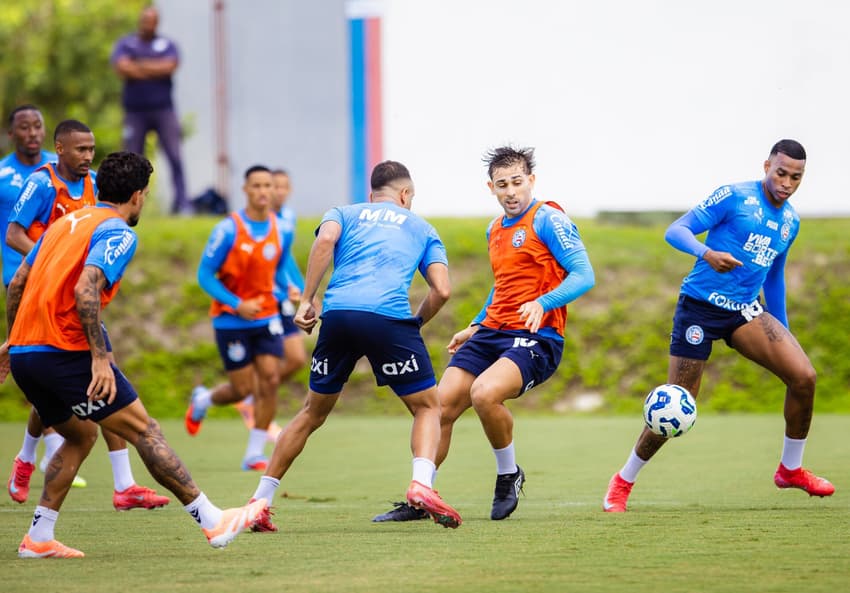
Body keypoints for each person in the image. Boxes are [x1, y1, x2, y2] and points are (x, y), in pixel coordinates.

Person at [0, 151, 265, 558]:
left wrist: (11, 340)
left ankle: (38, 537)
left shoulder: (61, 225)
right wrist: (100, 357)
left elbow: (19, 280)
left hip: (28, 353)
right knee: (145, 430)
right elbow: (86, 289)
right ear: (138, 196)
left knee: (80, 434)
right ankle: (213, 521)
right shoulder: (117, 231)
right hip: (63, 350)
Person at [602, 139, 834, 513]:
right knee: (678, 403)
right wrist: (706, 253)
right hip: (699, 308)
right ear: (766, 166)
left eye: (796, 177)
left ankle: (790, 469)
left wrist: (783, 329)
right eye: (781, 173)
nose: (787, 183)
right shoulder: (733, 197)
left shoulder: (790, 220)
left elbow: (774, 277)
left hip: (744, 312)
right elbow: (676, 230)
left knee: (804, 377)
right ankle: (623, 481)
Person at [373, 145, 595, 522]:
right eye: (502, 184)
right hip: (493, 330)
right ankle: (420, 496)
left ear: (532, 181)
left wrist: (544, 302)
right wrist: (475, 325)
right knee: (439, 405)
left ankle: (508, 474)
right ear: (490, 187)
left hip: (537, 335)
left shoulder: (548, 219)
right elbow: (502, 286)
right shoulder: (494, 228)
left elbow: (584, 274)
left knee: (485, 394)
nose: (511, 191)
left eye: (517, 182)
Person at [246, 160, 462, 531]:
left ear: (372, 195)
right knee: (428, 406)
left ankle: (259, 502)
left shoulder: (343, 213)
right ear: (405, 195)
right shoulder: (423, 228)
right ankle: (421, 485)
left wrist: (307, 300)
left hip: (339, 316)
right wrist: (414, 324)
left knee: (312, 412)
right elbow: (442, 290)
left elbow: (325, 240)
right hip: (389, 320)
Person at [5, 119, 169, 511]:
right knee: (62, 381)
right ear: (59, 149)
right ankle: (27, 458)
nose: (87, 157)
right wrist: (54, 262)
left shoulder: (98, 186)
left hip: (77, 294)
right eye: (80, 150)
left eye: (92, 150)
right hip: (41, 289)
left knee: (104, 378)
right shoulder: (42, 183)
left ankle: (123, 484)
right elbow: (13, 234)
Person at [184, 166, 291, 471]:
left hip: (267, 316)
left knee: (270, 379)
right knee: (242, 389)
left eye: (267, 185)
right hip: (231, 321)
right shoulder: (227, 229)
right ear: (245, 190)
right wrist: (236, 303)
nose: (262, 191)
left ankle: (254, 454)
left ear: (274, 190)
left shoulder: (280, 228)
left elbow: (279, 268)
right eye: (256, 185)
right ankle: (203, 400)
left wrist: (293, 289)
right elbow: (205, 275)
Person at [232, 168, 307, 441]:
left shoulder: (287, 218)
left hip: (285, 295)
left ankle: (251, 399)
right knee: (268, 368)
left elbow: (285, 260)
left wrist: (303, 290)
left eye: (284, 187)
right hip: (265, 300)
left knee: (297, 359)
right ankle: (256, 412)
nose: (279, 192)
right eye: (274, 187)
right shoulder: (258, 221)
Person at [111, 5, 189, 214]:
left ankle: (182, 203)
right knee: (131, 159)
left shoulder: (167, 44)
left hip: (164, 110)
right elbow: (122, 67)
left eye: (152, 20)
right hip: (135, 112)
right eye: (145, 20)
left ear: (157, 22)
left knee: (174, 156)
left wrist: (139, 66)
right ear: (140, 21)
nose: (148, 24)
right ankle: (129, 202)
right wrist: (154, 68)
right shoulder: (126, 43)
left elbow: (170, 66)